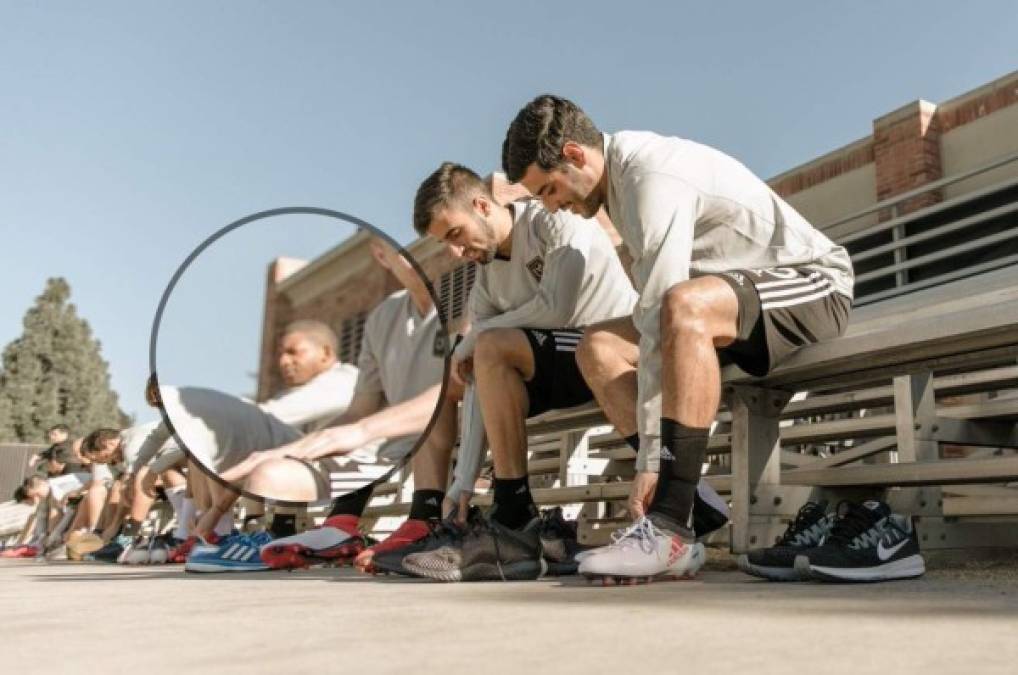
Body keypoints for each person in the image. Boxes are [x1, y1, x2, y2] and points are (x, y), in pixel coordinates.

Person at [501, 94, 853, 582]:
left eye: (549, 189)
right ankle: (693, 515)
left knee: (680, 306)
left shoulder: (649, 177)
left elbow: (659, 317)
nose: (551, 205)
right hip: (725, 303)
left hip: (809, 282)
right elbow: (654, 319)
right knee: (597, 348)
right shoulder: (617, 188)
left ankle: (669, 521)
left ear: (575, 156)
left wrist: (650, 458)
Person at [402, 163, 728, 582]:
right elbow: (480, 374)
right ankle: (513, 514)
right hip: (557, 364)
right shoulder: (486, 278)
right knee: (480, 360)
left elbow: (557, 307)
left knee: (488, 345)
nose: (454, 252)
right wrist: (462, 482)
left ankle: (687, 499)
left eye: (455, 234)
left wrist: (474, 336)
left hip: (611, 346)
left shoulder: (554, 220)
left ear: (482, 205)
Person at [188, 238, 457, 574]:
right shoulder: (383, 316)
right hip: (382, 447)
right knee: (268, 470)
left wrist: (356, 432)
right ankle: (315, 534)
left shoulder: (466, 299)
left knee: (270, 458)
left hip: (440, 436)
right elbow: (359, 411)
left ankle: (409, 524)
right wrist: (296, 448)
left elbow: (454, 389)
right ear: (381, 256)